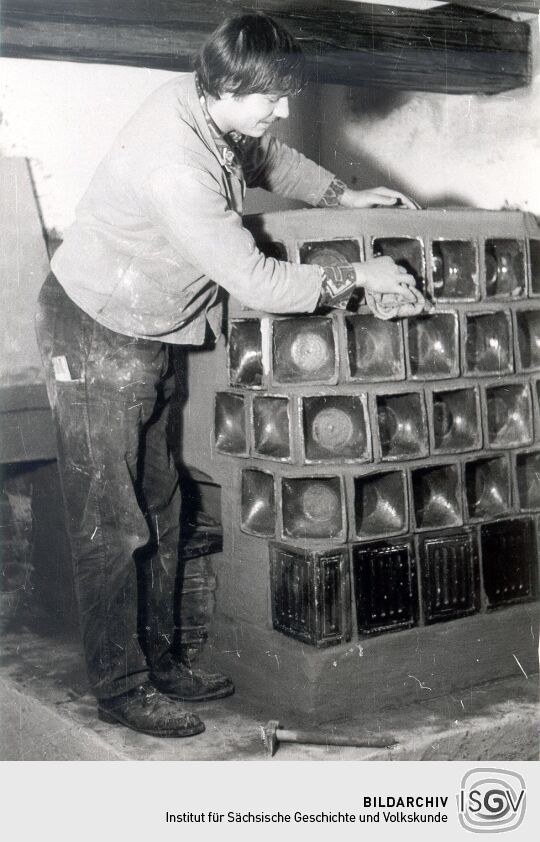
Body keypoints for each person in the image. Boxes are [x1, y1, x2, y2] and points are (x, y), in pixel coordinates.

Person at [35, 12, 424, 739]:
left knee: (159, 503)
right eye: (269, 98)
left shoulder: (204, 104)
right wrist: (359, 274)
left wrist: (341, 197)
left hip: (149, 326)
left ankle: (158, 659)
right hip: (94, 330)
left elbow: (263, 155)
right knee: (112, 522)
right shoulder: (174, 166)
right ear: (226, 87)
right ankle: (121, 687)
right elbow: (258, 279)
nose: (280, 111)